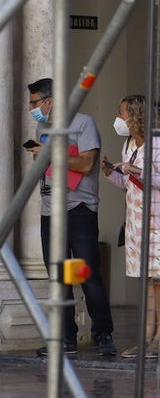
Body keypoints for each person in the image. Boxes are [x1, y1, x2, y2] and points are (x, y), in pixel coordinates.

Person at [26, 78, 116, 357]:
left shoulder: (83, 123)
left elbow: (87, 164)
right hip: (49, 210)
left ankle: (103, 335)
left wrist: (50, 153)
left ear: (50, 101)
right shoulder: (43, 127)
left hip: (79, 210)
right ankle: (66, 338)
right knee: (58, 278)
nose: (32, 108)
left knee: (86, 274)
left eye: (34, 102)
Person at [101, 95, 160, 358]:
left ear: (135, 115)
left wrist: (134, 170)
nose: (119, 118)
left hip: (159, 220)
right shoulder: (129, 145)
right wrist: (111, 173)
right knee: (149, 282)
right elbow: (128, 184)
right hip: (138, 222)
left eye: (122, 113)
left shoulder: (158, 143)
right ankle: (147, 337)